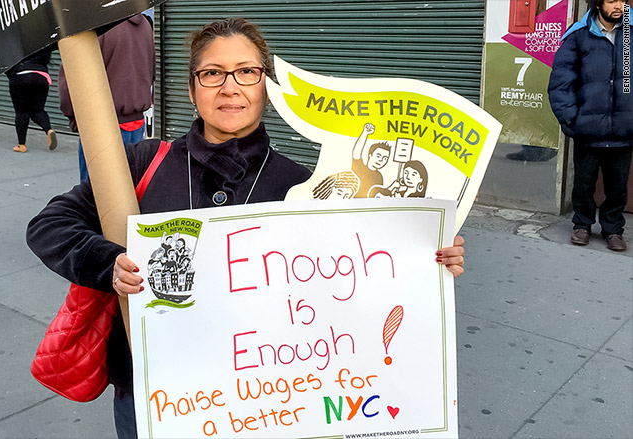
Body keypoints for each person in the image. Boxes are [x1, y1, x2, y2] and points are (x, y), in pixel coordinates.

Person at [25, 18, 465, 438]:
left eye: (247, 72)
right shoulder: (144, 164)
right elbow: (50, 224)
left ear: (266, 87)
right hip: (154, 395)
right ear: (193, 88)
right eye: (213, 73)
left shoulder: (306, 186)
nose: (230, 86)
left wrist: (429, 256)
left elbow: (365, 277)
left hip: (268, 402)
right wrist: (107, 263)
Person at [548, 0, 632, 251]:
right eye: (611, 0)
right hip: (587, 130)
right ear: (597, 3)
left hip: (623, 129)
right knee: (583, 183)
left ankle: (613, 229)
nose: (618, 6)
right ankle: (581, 225)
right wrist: (572, 121)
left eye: (622, 0)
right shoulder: (578, 35)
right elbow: (561, 83)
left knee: (617, 187)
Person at [58, 13, 155, 181]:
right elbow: (151, 71)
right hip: (136, 122)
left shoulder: (93, 24)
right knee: (129, 190)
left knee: (93, 196)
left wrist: (74, 117)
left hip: (100, 124)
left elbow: (72, 78)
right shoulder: (145, 25)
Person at [6, 49, 57, 153]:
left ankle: (22, 145)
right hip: (42, 75)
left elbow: (6, 59)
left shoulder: (16, 37)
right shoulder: (41, 37)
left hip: (21, 74)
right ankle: (49, 130)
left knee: (21, 111)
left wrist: (12, 75)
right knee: (38, 110)